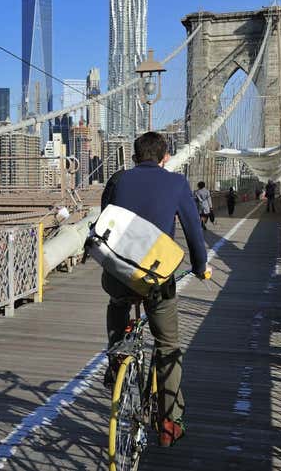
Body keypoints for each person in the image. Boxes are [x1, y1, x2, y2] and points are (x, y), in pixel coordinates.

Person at [100, 131, 209, 448]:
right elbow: (193, 232)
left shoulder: (118, 180)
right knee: (168, 344)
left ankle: (116, 359)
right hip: (156, 278)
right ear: (165, 157)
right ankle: (169, 423)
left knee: (117, 302)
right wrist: (200, 266)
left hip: (118, 273)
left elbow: (106, 220)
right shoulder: (176, 183)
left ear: (135, 157)